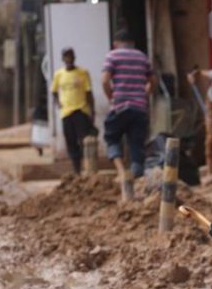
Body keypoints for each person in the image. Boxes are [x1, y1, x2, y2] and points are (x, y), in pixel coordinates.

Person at [101, 29, 156, 199]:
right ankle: (135, 186)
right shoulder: (142, 57)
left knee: (111, 138)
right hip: (139, 108)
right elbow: (154, 80)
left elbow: (104, 80)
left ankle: (121, 171)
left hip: (120, 106)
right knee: (136, 146)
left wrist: (111, 96)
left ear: (116, 43)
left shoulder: (112, 56)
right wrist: (144, 94)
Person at [51, 47, 96, 174]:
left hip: (81, 111)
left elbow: (89, 93)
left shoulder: (82, 73)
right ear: (63, 59)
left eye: (70, 56)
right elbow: (53, 91)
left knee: (84, 141)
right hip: (66, 113)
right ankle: (77, 170)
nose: (68, 59)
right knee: (70, 142)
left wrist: (92, 112)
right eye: (66, 56)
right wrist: (58, 103)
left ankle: (88, 168)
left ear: (74, 57)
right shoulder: (58, 74)